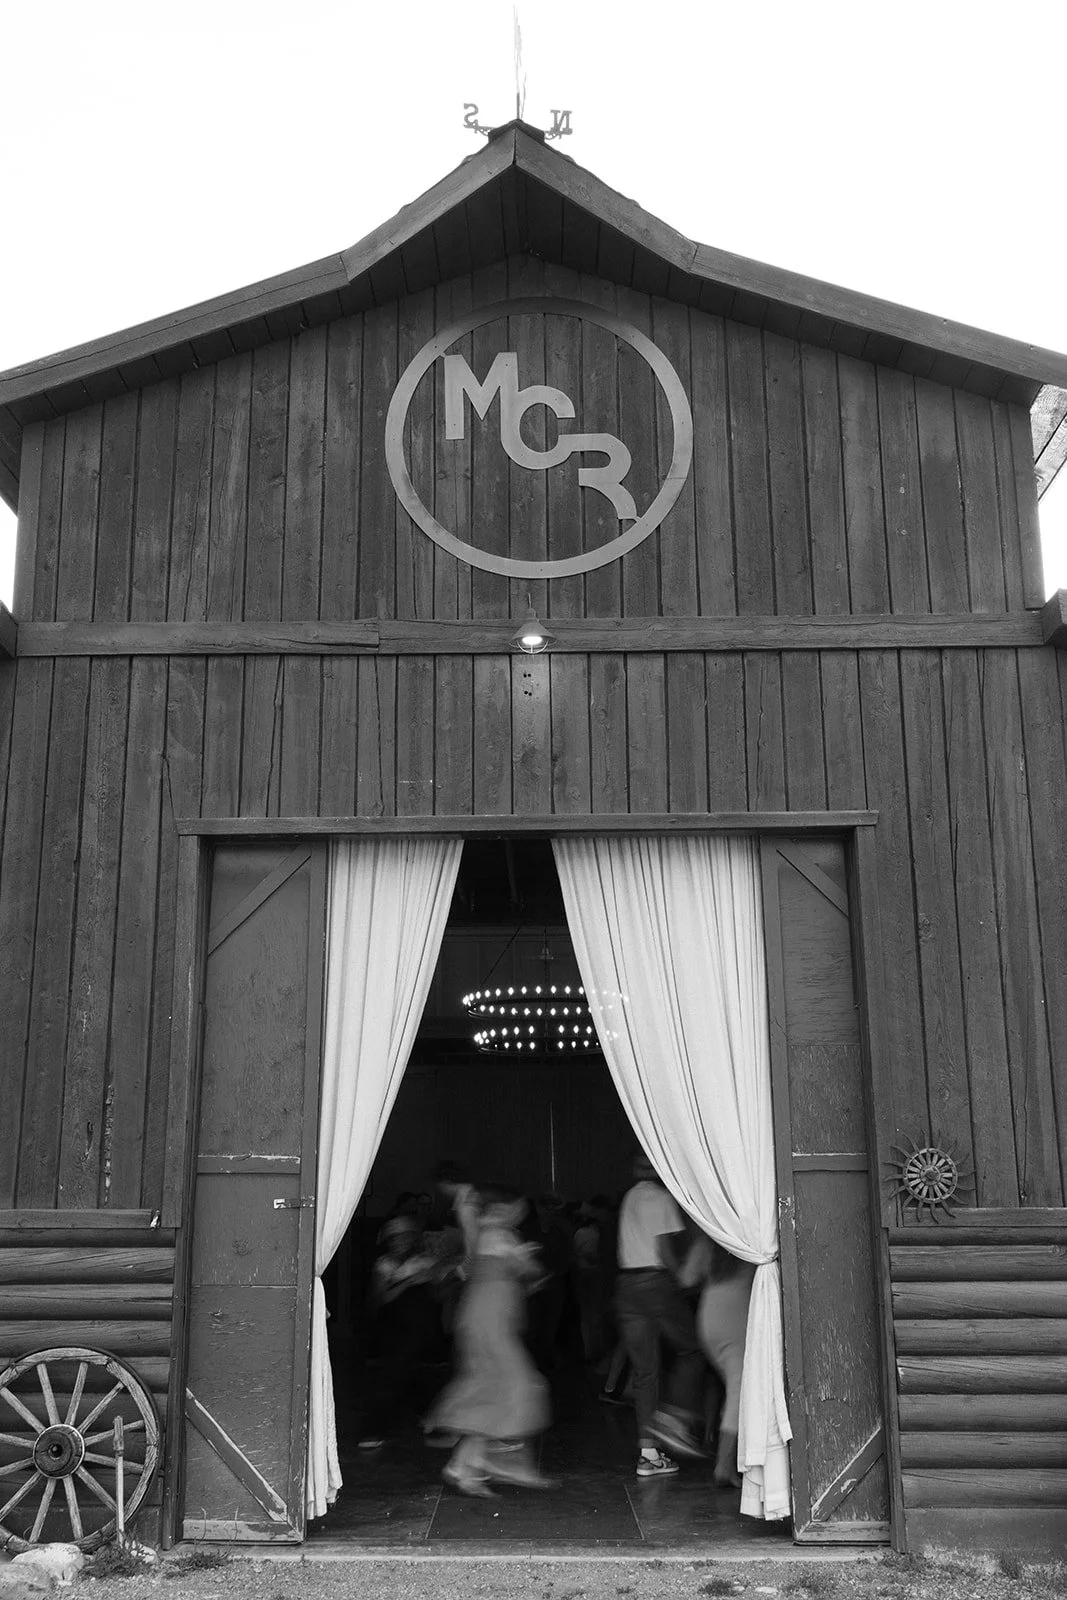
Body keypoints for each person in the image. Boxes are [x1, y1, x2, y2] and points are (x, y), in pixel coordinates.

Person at [425, 1182, 555, 1496]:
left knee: (491, 1386)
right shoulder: (499, 1234)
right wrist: (528, 1260)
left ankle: (463, 1467)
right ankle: (503, 1462)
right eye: (518, 1208)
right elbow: (533, 1272)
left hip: (484, 1320)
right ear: (501, 1208)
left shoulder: (489, 1233)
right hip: (489, 1323)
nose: (521, 1214)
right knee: (518, 1384)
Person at [614, 1151, 707, 1478]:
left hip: (626, 1286)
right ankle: (675, 1418)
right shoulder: (662, 1199)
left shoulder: (629, 1197)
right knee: (693, 1350)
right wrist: (684, 1278)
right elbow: (665, 1251)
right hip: (655, 1284)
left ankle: (648, 1454)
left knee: (645, 1373)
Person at [357, 1214, 441, 1449]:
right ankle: (420, 1418)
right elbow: (380, 1299)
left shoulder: (424, 1261)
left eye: (405, 1238)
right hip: (394, 1328)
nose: (400, 1243)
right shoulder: (384, 1264)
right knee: (401, 1373)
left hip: (419, 1328)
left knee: (400, 1372)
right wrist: (406, 1281)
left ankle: (377, 1428)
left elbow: (436, 1296)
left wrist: (431, 1277)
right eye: (395, 1239)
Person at [694, 1242, 755, 1489]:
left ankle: (727, 1453)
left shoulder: (709, 1241)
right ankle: (724, 1466)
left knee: (730, 1388)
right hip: (736, 1316)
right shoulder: (750, 1240)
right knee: (738, 1394)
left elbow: (685, 1278)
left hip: (708, 1317)